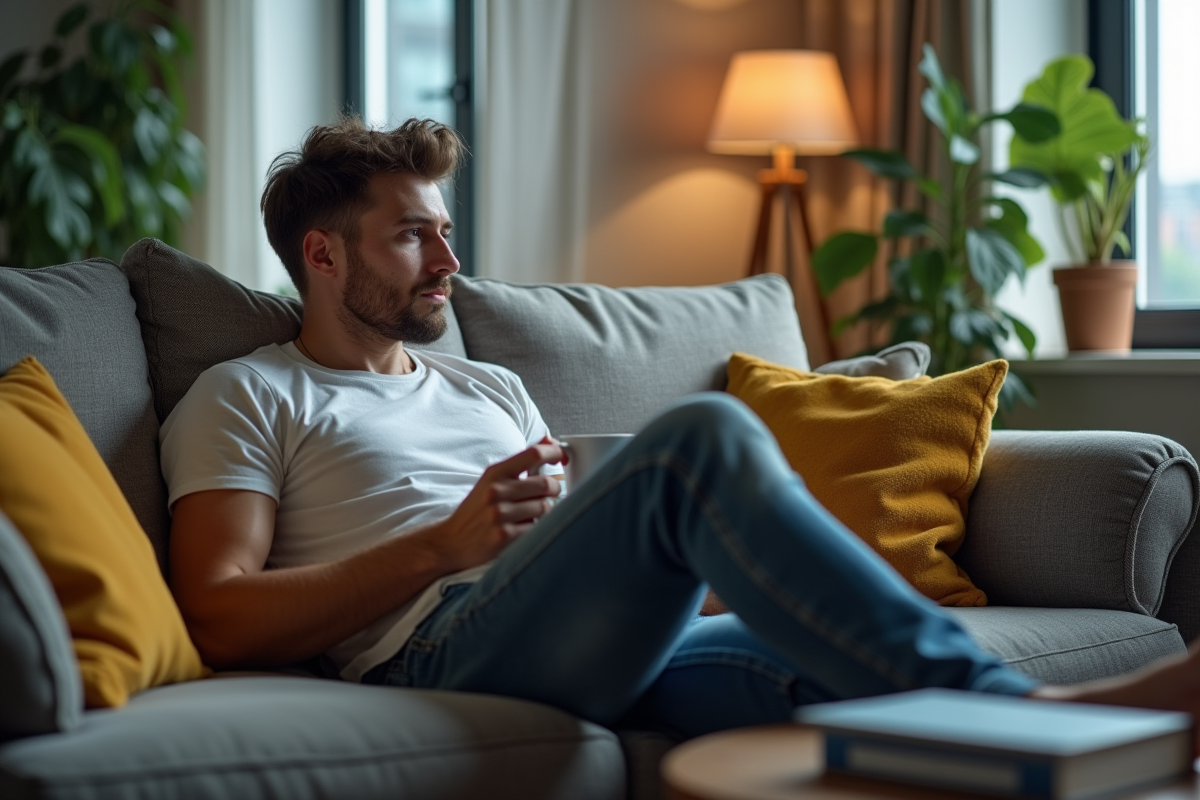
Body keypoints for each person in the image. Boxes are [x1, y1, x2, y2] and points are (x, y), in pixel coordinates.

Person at [160, 117, 1200, 741]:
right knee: (699, 434)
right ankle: (1067, 721)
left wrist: (719, 560)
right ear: (324, 255)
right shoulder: (250, 394)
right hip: (430, 646)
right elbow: (222, 612)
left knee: (825, 668)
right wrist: (445, 544)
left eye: (444, 229)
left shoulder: (483, 386)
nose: (448, 259)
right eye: (410, 235)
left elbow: (570, 542)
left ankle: (1036, 734)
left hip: (576, 627)